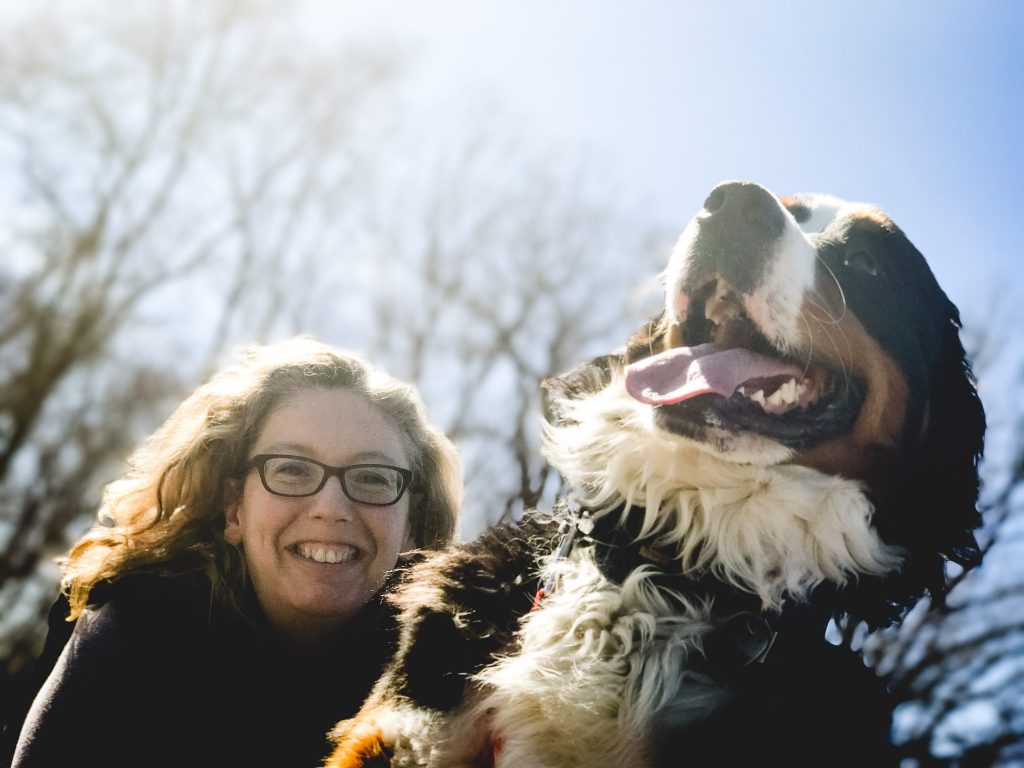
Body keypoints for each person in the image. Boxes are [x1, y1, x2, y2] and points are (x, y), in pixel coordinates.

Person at [10, 337, 462, 768]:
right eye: (291, 470)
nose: (330, 507)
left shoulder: (455, 688)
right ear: (234, 509)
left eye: (373, 478)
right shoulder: (135, 632)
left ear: (411, 523)